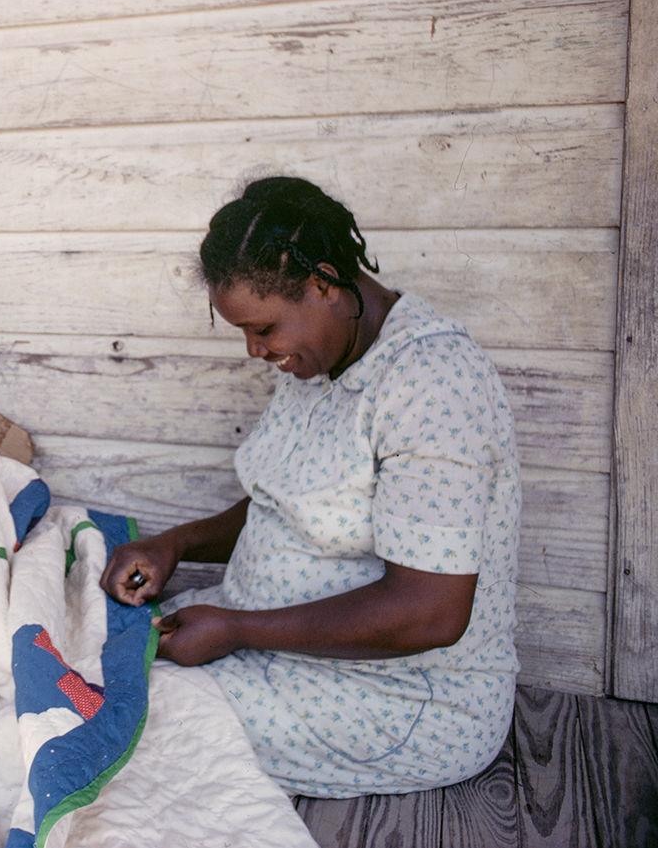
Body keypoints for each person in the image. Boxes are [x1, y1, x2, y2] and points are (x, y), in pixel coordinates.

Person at [100, 176, 520, 798]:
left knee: (110, 714)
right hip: (270, 644)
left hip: (397, 697)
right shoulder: (322, 359)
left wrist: (240, 630)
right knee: (88, 639)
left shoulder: (432, 383)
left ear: (324, 284)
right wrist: (176, 544)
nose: (254, 350)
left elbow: (431, 611)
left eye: (264, 329)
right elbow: (285, 504)